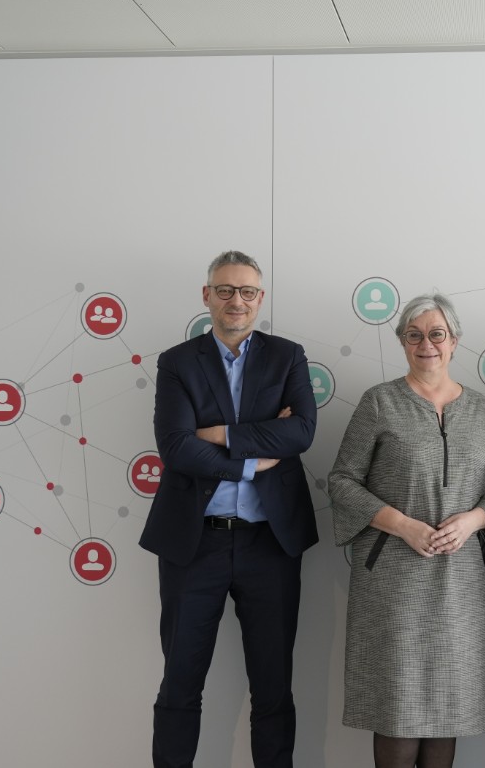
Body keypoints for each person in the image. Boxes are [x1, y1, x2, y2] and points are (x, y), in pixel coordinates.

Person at [140, 249, 318, 768]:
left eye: (246, 291)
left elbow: (301, 432)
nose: (235, 300)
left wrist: (220, 434)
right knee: (180, 682)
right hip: (194, 543)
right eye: (224, 290)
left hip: (270, 543)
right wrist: (252, 462)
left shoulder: (287, 356)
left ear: (259, 298)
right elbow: (176, 446)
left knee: (273, 686)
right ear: (207, 296)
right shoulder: (177, 362)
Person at [328, 293, 485, 768]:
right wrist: (403, 525)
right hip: (394, 580)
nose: (426, 344)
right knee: (399, 705)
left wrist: (474, 520)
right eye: (414, 335)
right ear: (402, 342)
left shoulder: (481, 410)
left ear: (455, 341)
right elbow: (342, 481)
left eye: (436, 334)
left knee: (448, 706)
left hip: (461, 582)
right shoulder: (379, 403)